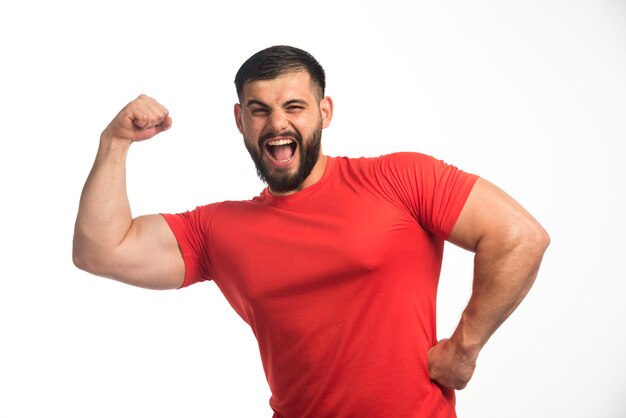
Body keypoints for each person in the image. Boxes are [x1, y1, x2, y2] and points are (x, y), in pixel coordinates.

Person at [73, 45, 549, 418]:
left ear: (324, 112)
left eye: (294, 107)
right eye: (258, 110)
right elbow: (101, 251)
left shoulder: (400, 179)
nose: (277, 124)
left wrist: (464, 348)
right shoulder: (217, 230)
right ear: (240, 121)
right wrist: (113, 143)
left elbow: (518, 236)